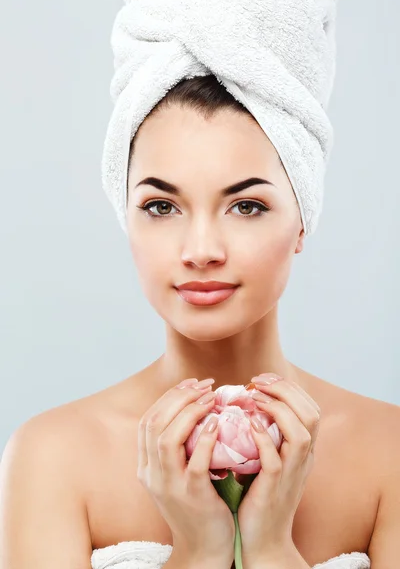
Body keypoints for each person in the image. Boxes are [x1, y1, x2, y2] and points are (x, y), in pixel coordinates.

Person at [1, 74, 399, 569]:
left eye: (246, 206)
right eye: (161, 207)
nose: (201, 251)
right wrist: (199, 550)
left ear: (302, 219)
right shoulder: (51, 457)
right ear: (128, 220)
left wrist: (272, 547)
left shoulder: (390, 453)